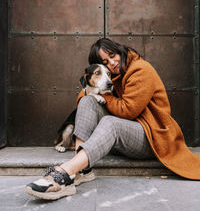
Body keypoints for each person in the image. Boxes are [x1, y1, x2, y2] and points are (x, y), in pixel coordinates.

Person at [25, 38, 200, 200]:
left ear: (119, 50)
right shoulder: (112, 76)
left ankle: (66, 171)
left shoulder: (140, 69)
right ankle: (82, 171)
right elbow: (85, 93)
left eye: (112, 55)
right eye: (105, 63)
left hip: (152, 137)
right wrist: (93, 90)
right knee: (88, 100)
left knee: (109, 121)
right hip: (127, 137)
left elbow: (127, 110)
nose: (112, 63)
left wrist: (101, 93)